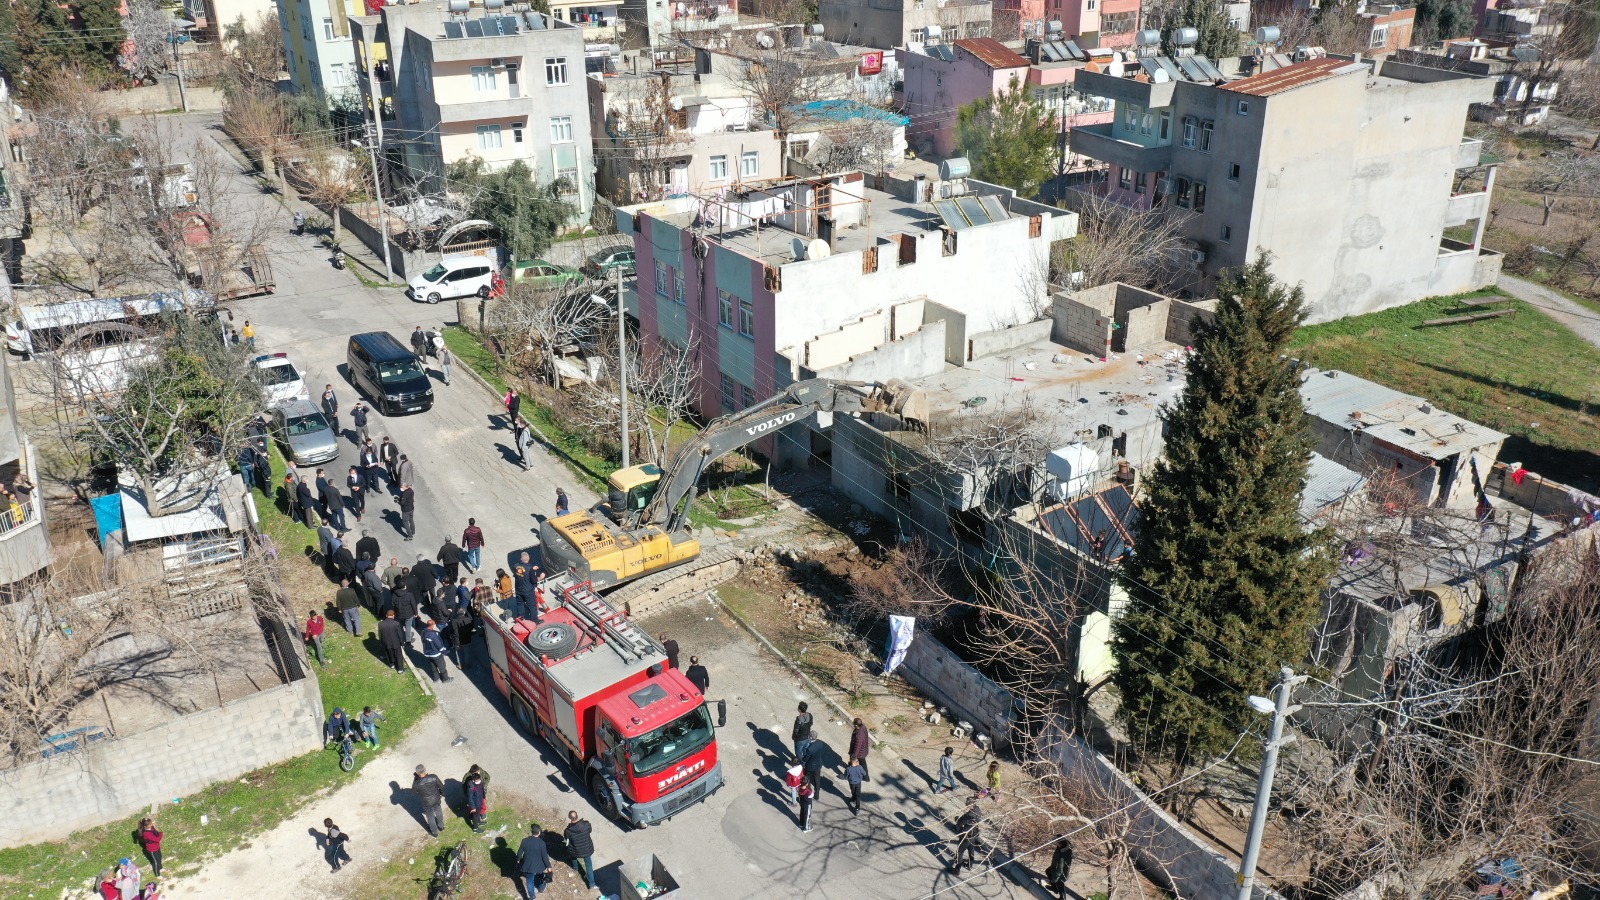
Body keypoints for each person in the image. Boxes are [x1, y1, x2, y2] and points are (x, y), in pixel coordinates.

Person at [515, 824, 552, 899]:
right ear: (539, 832)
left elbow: (519, 853)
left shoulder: (524, 841)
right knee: (541, 876)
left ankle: (532, 896)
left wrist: (518, 860)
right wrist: (548, 866)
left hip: (528, 866)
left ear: (532, 832)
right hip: (540, 866)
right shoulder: (541, 843)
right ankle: (541, 888)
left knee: (529, 881)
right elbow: (545, 856)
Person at [563, 810, 597, 889]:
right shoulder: (586, 824)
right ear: (577, 816)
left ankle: (575, 868)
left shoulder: (568, 831)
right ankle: (592, 884)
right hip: (587, 849)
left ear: (569, 818)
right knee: (588, 865)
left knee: (573, 856)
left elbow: (566, 838)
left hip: (575, 850)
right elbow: (590, 830)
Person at [412, 765, 446, 837]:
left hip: (427, 803)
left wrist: (415, 779)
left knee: (430, 817)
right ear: (425, 769)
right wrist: (442, 794)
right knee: (439, 811)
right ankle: (441, 826)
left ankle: (435, 832)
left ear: (417, 773)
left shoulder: (416, 783)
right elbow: (441, 787)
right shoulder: (433, 777)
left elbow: (414, 792)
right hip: (436, 798)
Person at [953, 802, 984, 871]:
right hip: (974, 834)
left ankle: (957, 869)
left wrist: (957, 827)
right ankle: (970, 865)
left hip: (966, 836)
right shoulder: (977, 809)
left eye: (967, 805)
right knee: (971, 849)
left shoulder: (967, 816)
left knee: (960, 851)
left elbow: (959, 824)